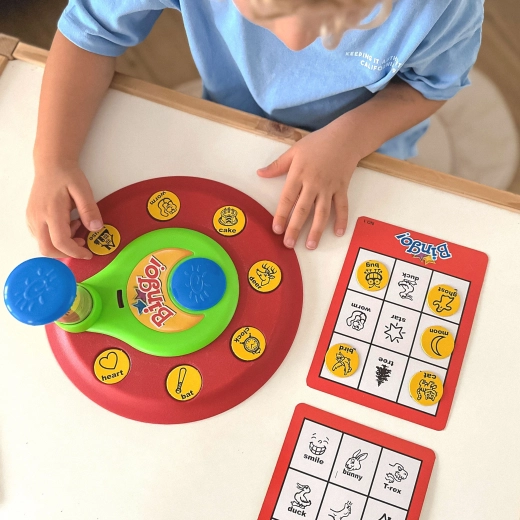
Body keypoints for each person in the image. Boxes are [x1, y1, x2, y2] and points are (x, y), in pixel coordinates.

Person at [27, 0, 484, 259]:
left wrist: (348, 142)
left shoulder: (445, 8)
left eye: (338, 20)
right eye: (264, 12)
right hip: (234, 120)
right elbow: (89, 31)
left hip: (368, 148)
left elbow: (431, 85)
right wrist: (53, 159)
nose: (296, 41)